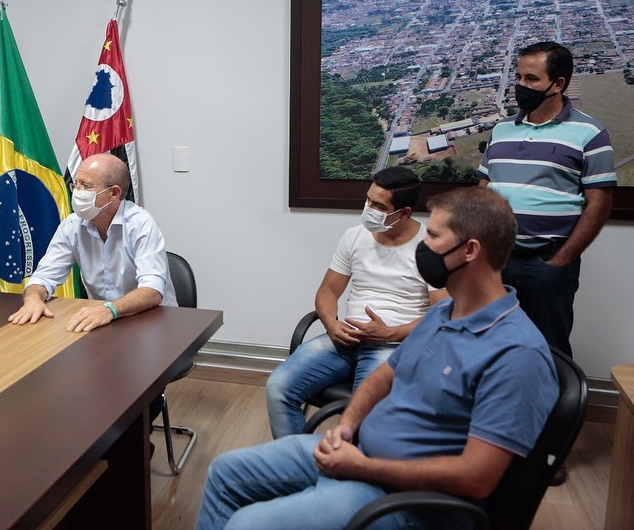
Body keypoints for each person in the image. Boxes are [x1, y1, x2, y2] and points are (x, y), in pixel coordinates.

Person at [195, 187, 559, 530]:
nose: (423, 245)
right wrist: (346, 427)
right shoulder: (444, 313)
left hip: (406, 502)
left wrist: (365, 467)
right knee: (224, 472)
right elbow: (383, 378)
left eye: (433, 237)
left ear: (470, 250)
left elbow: (476, 478)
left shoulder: (517, 354)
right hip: (360, 458)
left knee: (247, 525)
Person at [479, 42, 617, 484]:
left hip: (547, 263)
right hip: (494, 265)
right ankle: (491, 447)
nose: (519, 86)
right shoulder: (500, 132)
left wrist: (562, 258)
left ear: (559, 84)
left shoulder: (589, 132)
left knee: (548, 356)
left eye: (531, 79)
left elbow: (599, 203)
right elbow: (483, 195)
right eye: (518, 77)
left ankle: (548, 454)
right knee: (491, 353)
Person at [266, 166, 447, 438]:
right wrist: (331, 324)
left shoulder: (429, 248)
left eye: (378, 205)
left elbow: (443, 314)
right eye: (368, 200)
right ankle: (294, 466)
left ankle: (346, 476)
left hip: (394, 346)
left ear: (405, 212)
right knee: (278, 387)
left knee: (361, 417)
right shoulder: (354, 236)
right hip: (344, 339)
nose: (368, 208)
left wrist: (390, 333)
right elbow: (327, 291)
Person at [8, 152, 177, 330]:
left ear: (114, 193)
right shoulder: (72, 226)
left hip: (154, 323)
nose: (78, 192)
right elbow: (44, 277)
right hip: (104, 323)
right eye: (76, 185)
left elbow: (152, 291)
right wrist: (33, 298)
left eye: (86, 186)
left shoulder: (140, 224)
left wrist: (110, 309)